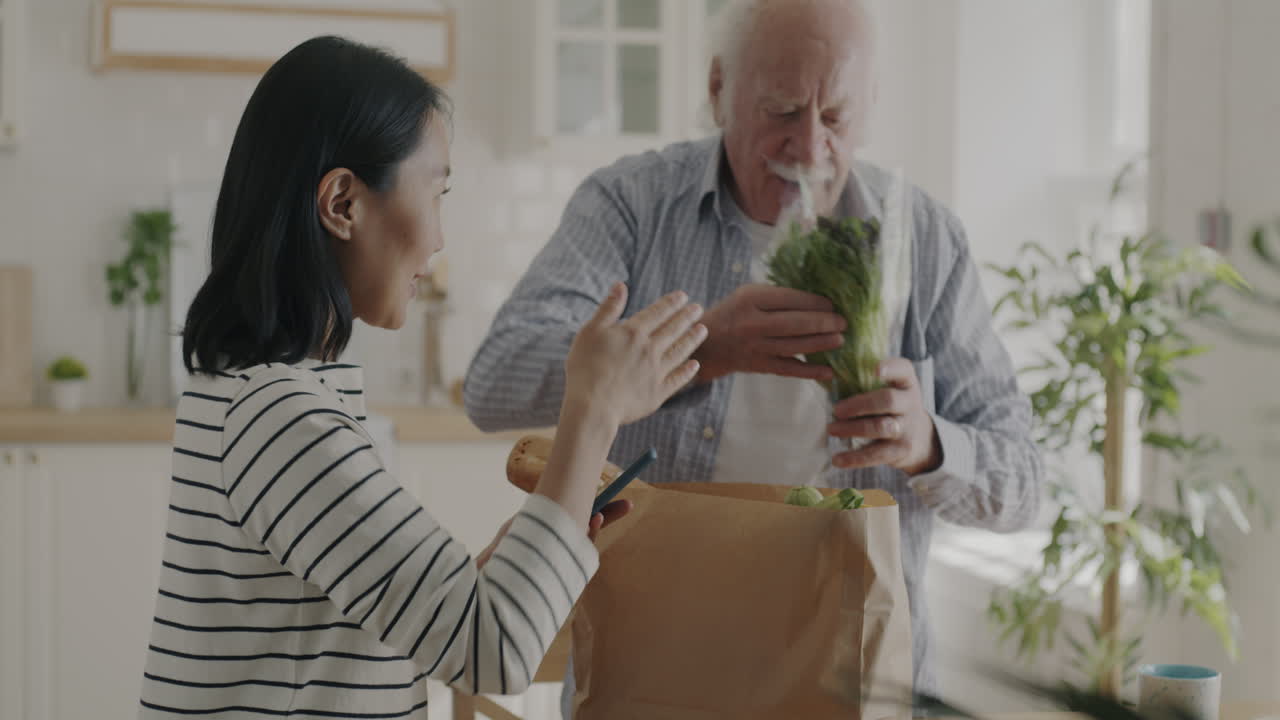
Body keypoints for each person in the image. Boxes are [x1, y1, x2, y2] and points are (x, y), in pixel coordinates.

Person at [463, 0, 1044, 709]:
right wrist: (697, 349)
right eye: (779, 109)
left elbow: (1025, 485)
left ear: (870, 107)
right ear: (716, 89)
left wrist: (928, 444)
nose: (807, 147)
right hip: (659, 672)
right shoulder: (632, 204)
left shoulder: (925, 238)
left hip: (861, 679)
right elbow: (493, 382)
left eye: (834, 117)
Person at [138, 36, 706, 719]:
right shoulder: (282, 419)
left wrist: (519, 553)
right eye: (436, 191)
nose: (438, 239)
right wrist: (592, 409)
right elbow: (493, 649)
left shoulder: (261, 394)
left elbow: (393, 617)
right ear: (343, 203)